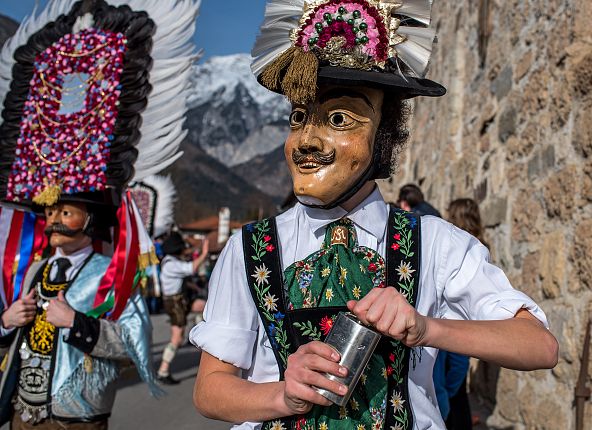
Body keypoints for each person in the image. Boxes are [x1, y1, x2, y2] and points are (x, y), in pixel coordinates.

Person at [191, 1, 558, 430]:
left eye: (339, 118)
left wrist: (426, 328)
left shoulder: (436, 243)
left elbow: (539, 346)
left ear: (384, 135)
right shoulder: (249, 248)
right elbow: (209, 390)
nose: (307, 140)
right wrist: (282, 395)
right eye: (298, 118)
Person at [0, 0, 199, 427]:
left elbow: (135, 342)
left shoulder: (112, 275)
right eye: (50, 210)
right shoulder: (33, 271)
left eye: (65, 211)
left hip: (76, 418)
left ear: (90, 221)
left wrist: (78, 324)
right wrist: (6, 321)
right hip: (22, 412)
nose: (53, 219)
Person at [157, 233, 209, 385]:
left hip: (180, 300)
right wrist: (204, 252)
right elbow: (191, 268)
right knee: (176, 339)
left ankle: (197, 332)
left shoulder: (170, 260)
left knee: (204, 306)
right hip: (175, 303)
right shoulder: (171, 264)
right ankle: (163, 371)